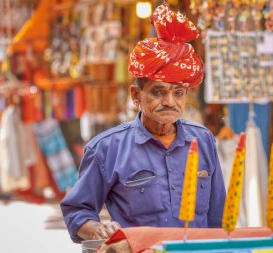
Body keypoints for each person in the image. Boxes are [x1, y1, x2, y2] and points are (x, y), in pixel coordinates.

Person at [61, 3, 226, 243]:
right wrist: (98, 230)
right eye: (158, 92)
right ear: (136, 96)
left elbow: (216, 218)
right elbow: (77, 211)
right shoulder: (105, 149)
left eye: (178, 93)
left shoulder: (203, 140)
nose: (170, 102)